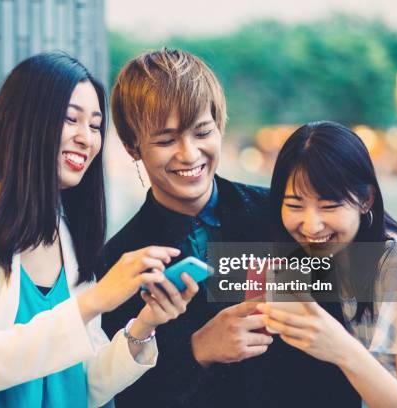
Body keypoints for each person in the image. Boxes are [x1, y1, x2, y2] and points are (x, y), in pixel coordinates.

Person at [0, 52, 198, 408]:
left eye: (94, 126)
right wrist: (97, 300)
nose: (86, 138)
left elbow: (83, 385)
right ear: (26, 122)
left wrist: (145, 325)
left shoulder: (71, 236)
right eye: (70, 119)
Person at [101, 49, 360, 407]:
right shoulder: (118, 262)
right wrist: (197, 350)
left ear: (220, 125)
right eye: (165, 141)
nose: (189, 154)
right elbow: (123, 396)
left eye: (202, 132)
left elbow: (373, 292)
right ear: (132, 147)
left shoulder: (284, 214)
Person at [258, 121, 397, 407]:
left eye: (329, 206)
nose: (311, 225)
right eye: (295, 205)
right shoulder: (323, 260)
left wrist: (341, 349)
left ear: (365, 200)